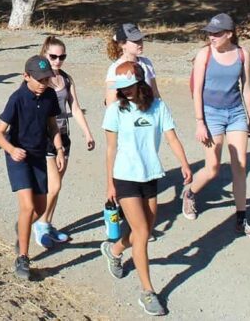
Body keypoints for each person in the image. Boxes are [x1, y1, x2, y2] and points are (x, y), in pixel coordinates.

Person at [99, 61, 192, 317]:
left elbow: (172, 137)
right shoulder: (116, 110)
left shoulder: (159, 107)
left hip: (150, 175)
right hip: (124, 176)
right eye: (121, 87)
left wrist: (184, 164)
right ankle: (148, 291)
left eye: (129, 86)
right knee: (141, 232)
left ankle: (114, 249)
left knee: (146, 229)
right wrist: (109, 183)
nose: (124, 91)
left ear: (141, 83)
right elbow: (110, 149)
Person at [180, 13, 250, 239]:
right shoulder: (204, 55)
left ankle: (241, 218)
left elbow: (246, 88)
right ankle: (190, 193)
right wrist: (200, 122)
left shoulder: (242, 54)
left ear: (229, 34)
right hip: (211, 114)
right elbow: (197, 90)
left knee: (240, 165)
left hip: (236, 113)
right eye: (209, 33)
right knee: (214, 167)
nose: (211, 37)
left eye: (216, 34)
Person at [0, 55, 65, 281]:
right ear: (26, 77)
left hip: (38, 155)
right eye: (40, 80)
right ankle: (23, 257)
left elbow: (52, 125)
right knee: (27, 205)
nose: (45, 84)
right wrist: (12, 149)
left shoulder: (50, 95)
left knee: (40, 207)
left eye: (47, 79)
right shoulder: (17, 98)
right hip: (18, 157)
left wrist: (59, 147)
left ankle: (21, 229)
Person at [35, 36, 95, 248]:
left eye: (62, 57)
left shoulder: (66, 79)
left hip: (64, 135)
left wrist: (87, 133)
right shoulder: (39, 79)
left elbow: (75, 108)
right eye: (53, 56)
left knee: (56, 186)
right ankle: (40, 224)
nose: (58, 61)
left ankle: (47, 222)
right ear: (44, 54)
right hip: (45, 138)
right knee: (55, 184)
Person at [105, 23, 162, 106]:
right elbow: (111, 103)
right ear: (122, 44)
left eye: (140, 39)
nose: (140, 44)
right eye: (135, 41)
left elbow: (155, 94)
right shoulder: (115, 69)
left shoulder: (147, 63)